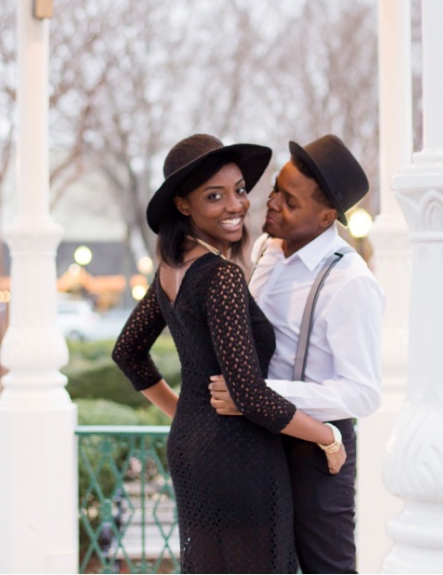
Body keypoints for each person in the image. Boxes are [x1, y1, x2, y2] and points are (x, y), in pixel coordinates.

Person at [111, 134, 347, 574]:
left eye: (240, 190)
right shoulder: (220, 277)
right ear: (184, 206)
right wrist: (326, 436)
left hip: (191, 448)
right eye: (214, 196)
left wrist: (188, 413)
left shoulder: (171, 267)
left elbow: (128, 354)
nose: (236, 205)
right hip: (239, 458)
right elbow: (250, 395)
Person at [209, 134, 386, 574]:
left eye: (289, 201)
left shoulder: (351, 282)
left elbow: (363, 393)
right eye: (274, 190)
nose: (270, 204)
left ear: (327, 217)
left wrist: (256, 394)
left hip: (317, 453)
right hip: (257, 441)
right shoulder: (266, 251)